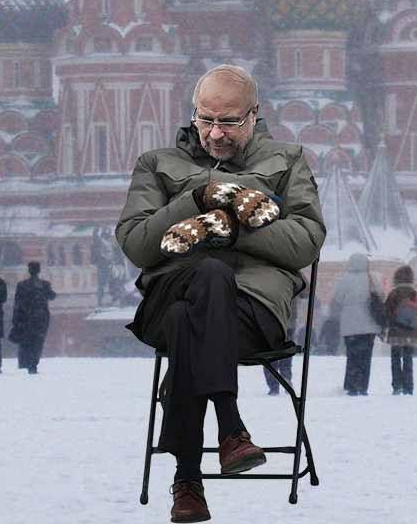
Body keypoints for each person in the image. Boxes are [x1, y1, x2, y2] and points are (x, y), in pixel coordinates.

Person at [116, 65, 325, 524]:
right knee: (203, 280)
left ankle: (186, 480)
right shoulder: (157, 164)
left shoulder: (286, 161)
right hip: (169, 292)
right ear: (194, 114)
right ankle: (230, 427)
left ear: (254, 116)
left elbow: (306, 241)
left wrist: (230, 233)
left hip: (252, 313)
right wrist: (197, 199)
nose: (215, 132)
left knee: (187, 320)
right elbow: (136, 244)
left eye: (228, 122)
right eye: (205, 119)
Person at [330, 253, 383, 395]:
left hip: (350, 326)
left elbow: (338, 298)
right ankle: (363, 386)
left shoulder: (344, 279)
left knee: (352, 356)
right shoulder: (372, 278)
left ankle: (351, 386)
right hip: (369, 326)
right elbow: (380, 296)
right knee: (366, 357)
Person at [384, 264, 417, 395]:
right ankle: (408, 387)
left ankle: (397, 386)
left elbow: (386, 312)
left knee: (395, 358)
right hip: (411, 333)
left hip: (396, 332)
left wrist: (388, 325)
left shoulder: (394, 293)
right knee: (408, 359)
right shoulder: (416, 294)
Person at [10, 261, 56, 374]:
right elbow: (52, 296)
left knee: (27, 341)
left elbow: (17, 303)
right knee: (38, 341)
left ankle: (28, 362)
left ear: (29, 270)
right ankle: (33, 364)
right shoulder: (44, 284)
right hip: (41, 317)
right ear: (38, 270)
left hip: (26, 317)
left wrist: (16, 319)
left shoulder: (22, 285)